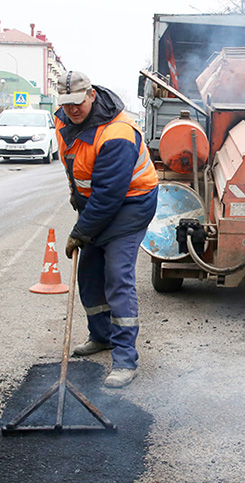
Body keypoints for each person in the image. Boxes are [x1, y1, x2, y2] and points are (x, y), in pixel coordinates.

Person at [54, 71, 159, 388]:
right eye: (66, 104)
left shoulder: (118, 133)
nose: (72, 110)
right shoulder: (63, 120)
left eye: (77, 103)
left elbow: (109, 195)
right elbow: (77, 167)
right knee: (89, 271)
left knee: (117, 275)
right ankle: (101, 336)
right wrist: (79, 203)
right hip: (96, 204)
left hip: (132, 204)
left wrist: (80, 231)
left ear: (91, 95)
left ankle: (125, 360)